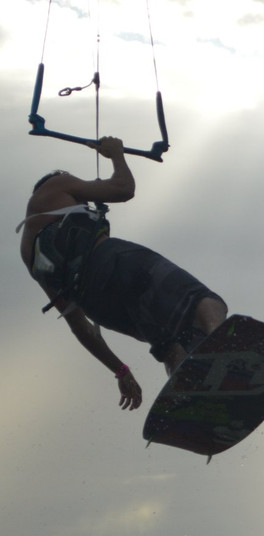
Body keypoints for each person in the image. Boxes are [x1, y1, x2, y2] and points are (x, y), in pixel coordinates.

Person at [17, 137, 228, 410]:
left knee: (171, 344)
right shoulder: (55, 184)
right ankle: (223, 344)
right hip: (113, 262)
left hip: (98, 307)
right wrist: (116, 155)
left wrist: (120, 370)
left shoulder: (30, 254)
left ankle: (187, 397)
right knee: (204, 301)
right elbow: (123, 189)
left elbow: (79, 326)